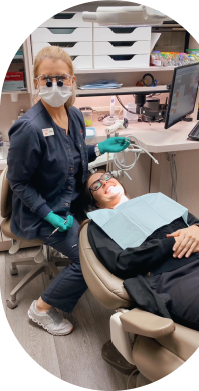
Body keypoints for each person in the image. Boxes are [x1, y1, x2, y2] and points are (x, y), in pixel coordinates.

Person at [6, 46, 130, 336]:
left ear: (72, 80)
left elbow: (69, 155)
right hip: (40, 213)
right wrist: (48, 214)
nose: (54, 86)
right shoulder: (28, 128)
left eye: (61, 78)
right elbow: (19, 182)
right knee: (90, 258)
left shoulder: (72, 115)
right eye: (46, 79)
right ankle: (40, 309)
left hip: (69, 202)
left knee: (110, 236)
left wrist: (98, 148)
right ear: (36, 83)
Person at [82, 169, 199, 334]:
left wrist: (198, 230)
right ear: (97, 203)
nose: (104, 182)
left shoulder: (155, 200)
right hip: (177, 277)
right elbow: (121, 262)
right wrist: (172, 243)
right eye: (96, 185)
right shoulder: (98, 224)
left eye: (107, 177)